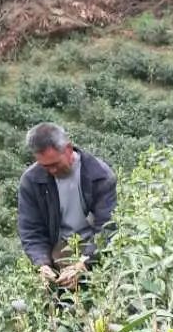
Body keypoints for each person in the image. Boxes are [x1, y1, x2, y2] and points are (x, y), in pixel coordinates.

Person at [17, 123, 117, 289]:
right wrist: (42, 264)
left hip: (93, 245)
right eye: (45, 166)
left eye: (55, 163)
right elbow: (31, 230)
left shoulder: (100, 176)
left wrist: (84, 263)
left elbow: (106, 228)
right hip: (58, 247)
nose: (51, 170)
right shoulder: (31, 181)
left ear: (68, 149)